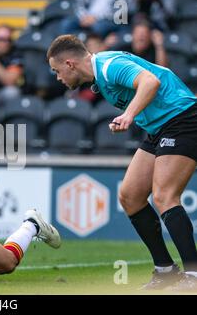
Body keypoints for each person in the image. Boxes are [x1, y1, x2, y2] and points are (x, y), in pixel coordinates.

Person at [47, 34, 197, 290]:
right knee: (130, 196)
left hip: (182, 120)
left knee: (164, 197)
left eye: (57, 71)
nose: (58, 78)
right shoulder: (99, 77)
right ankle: (165, 270)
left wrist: (128, 115)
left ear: (70, 64)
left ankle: (193, 275)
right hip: (159, 127)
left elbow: (150, 81)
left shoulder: (108, 65)